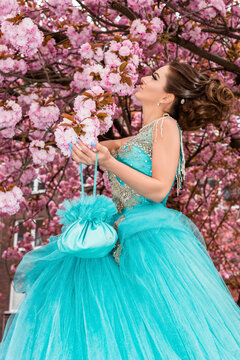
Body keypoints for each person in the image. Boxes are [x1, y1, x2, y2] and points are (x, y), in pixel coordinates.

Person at [1, 61, 240, 359]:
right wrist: (86, 147)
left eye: (154, 77)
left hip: (149, 239)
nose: (142, 78)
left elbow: (159, 188)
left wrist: (109, 161)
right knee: (130, 326)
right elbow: (107, 147)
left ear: (166, 98)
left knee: (156, 325)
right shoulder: (145, 134)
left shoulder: (167, 126)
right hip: (123, 233)